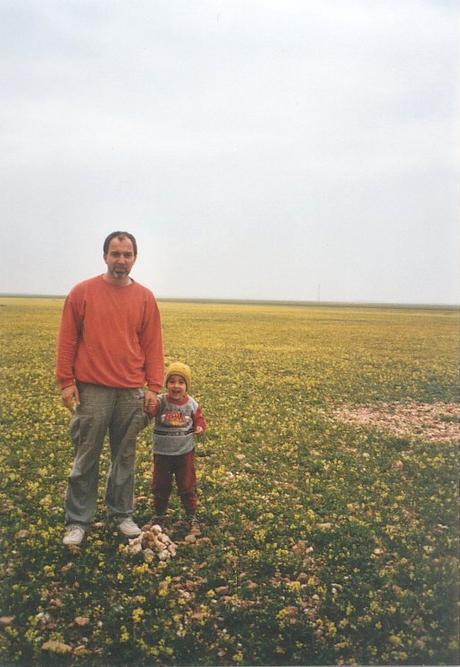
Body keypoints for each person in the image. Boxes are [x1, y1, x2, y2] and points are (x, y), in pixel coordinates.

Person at [56, 231, 164, 546]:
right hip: (92, 392)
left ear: (134, 258)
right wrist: (66, 382)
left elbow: (153, 345)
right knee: (86, 457)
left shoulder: (145, 297)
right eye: (115, 254)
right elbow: (67, 339)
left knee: (125, 458)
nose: (121, 260)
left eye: (127, 254)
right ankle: (78, 521)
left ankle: (122, 514)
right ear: (105, 256)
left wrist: (153, 387)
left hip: (131, 391)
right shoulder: (82, 293)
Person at [150, 361, 206, 531]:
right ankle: (160, 514)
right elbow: (150, 411)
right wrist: (149, 405)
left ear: (186, 386)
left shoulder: (192, 404)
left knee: (187, 484)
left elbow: (200, 418)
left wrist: (200, 427)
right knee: (160, 484)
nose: (176, 386)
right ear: (166, 384)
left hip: (184, 453)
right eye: (172, 381)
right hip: (162, 453)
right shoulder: (160, 402)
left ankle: (191, 515)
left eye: (181, 382)